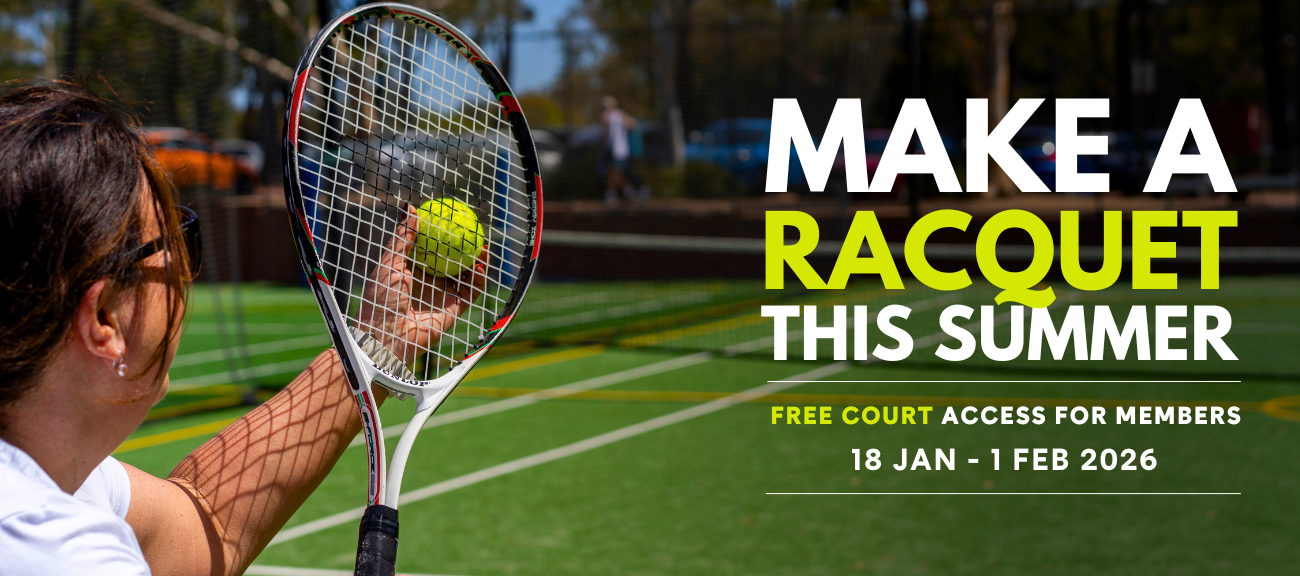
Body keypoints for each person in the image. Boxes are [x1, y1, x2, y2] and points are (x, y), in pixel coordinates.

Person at [0, 80, 482, 575]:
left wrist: (377, 339)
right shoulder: (52, 552)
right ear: (105, 320)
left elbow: (201, 520)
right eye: (176, 240)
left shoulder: (47, 472)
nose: (187, 268)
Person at [600, 96, 648, 204]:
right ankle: (627, 191)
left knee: (617, 171)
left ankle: (625, 191)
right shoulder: (616, 115)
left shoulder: (616, 115)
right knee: (616, 171)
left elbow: (633, 124)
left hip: (618, 149)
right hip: (613, 149)